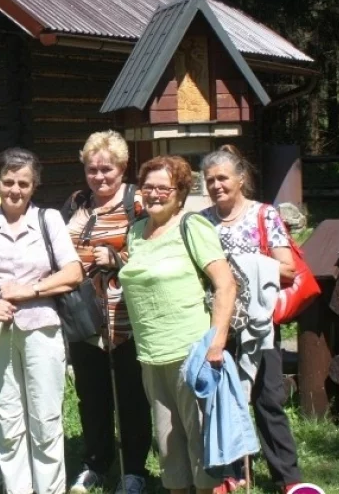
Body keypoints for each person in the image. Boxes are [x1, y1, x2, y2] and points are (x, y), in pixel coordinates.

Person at [0, 147, 83, 494]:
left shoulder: (49, 220)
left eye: (23, 183)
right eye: (9, 182)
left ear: (35, 186)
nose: (15, 189)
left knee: (44, 418)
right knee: (7, 419)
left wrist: (30, 290)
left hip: (41, 329)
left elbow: (73, 272)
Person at [118, 156, 237, 494]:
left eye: (163, 188)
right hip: (151, 353)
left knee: (200, 442)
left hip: (191, 351)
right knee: (168, 446)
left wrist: (216, 342)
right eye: (148, 187)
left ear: (180, 193)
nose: (154, 194)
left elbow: (225, 284)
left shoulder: (192, 226)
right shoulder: (136, 232)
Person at [200, 146, 303, 494]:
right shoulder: (202, 220)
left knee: (268, 398)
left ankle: (288, 478)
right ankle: (230, 473)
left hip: (259, 323)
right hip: (218, 322)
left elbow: (287, 267)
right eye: (210, 180)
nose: (216, 185)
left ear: (240, 178)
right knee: (223, 398)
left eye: (222, 178)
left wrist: (246, 265)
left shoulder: (264, 214)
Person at [60, 131, 152, 494]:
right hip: (83, 317)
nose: (99, 176)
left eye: (107, 169)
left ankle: (134, 470)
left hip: (127, 318)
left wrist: (118, 258)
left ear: (122, 167)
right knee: (92, 396)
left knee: (130, 397)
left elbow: (159, 250)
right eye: (92, 169)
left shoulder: (139, 202)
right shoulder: (76, 203)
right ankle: (95, 462)